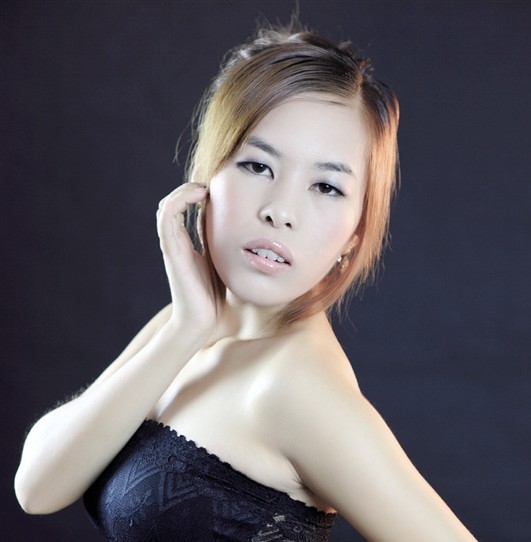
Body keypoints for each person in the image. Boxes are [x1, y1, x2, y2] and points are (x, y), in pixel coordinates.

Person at [14, 23, 478, 542]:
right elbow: (37, 487)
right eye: (257, 165)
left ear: (355, 233)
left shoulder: (300, 387)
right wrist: (184, 330)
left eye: (327, 187)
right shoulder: (187, 325)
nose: (280, 210)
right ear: (207, 175)